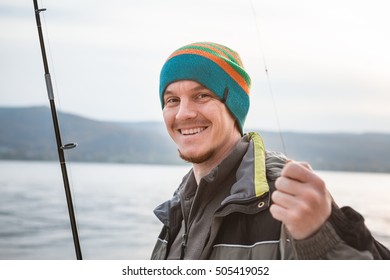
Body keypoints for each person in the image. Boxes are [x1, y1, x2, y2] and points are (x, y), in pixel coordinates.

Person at [151, 42, 390, 259]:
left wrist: (319, 240)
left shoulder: (287, 197)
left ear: (234, 106)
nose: (183, 113)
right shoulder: (178, 208)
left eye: (202, 95)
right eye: (172, 100)